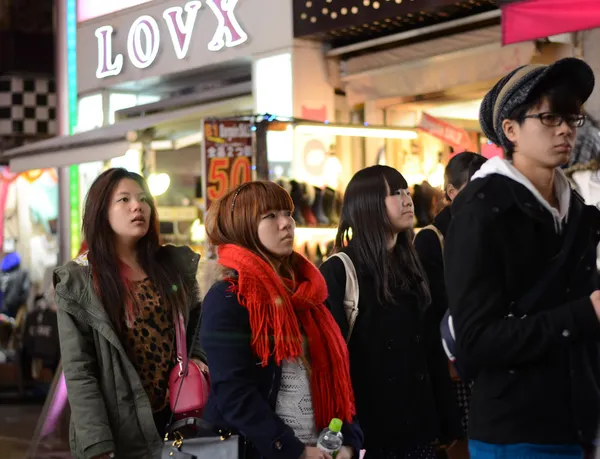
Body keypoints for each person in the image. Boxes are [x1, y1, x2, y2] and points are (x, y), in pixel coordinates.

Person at [444, 57, 600, 459]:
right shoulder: (481, 211)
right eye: (549, 117)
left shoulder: (577, 210)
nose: (565, 128)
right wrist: (586, 313)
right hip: (514, 432)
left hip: (576, 423)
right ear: (510, 130)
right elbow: (476, 341)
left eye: (571, 117)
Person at [200, 180, 363, 459]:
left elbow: (339, 380)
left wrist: (348, 442)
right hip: (262, 451)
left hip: (321, 448)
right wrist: (295, 451)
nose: (286, 223)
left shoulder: (308, 293)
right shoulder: (228, 297)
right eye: (270, 216)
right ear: (243, 227)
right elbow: (234, 392)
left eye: (288, 213)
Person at [54, 168, 206, 459]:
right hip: (119, 430)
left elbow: (199, 321)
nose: (138, 206)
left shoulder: (172, 265)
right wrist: (98, 444)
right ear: (101, 212)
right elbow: (80, 371)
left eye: (144, 199)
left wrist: (198, 357)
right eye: (123, 199)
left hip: (177, 418)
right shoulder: (79, 282)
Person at [320, 165, 462, 459]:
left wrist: (448, 422)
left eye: (407, 191)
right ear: (368, 204)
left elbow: (430, 349)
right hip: (366, 431)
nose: (407, 199)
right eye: (394, 194)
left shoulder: (410, 265)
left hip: (417, 428)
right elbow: (326, 362)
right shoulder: (339, 270)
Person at [414, 152, 487, 459]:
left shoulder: (491, 228)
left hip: (490, 352)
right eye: (474, 187)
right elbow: (431, 310)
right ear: (451, 192)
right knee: (463, 441)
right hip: (453, 357)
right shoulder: (432, 239)